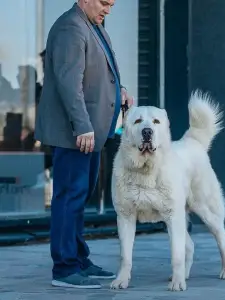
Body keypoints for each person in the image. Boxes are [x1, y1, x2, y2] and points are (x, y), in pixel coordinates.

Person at [34, 0, 133, 289]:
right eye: (104, 2)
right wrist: (83, 126)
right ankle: (65, 269)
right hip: (75, 133)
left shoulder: (93, 25)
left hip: (91, 133)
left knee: (80, 196)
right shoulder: (70, 27)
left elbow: (99, 73)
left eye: (112, 4)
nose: (108, 9)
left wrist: (120, 89)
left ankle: (79, 259)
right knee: (69, 197)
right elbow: (69, 84)